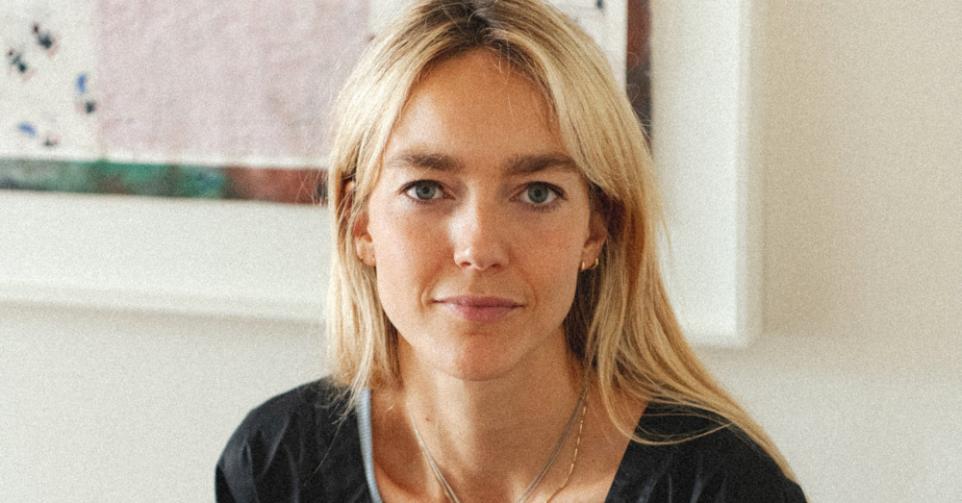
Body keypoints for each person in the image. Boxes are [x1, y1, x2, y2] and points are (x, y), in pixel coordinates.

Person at [216, 1, 807, 501]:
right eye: (426, 190)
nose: (478, 249)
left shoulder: (721, 486)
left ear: (596, 227)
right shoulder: (277, 463)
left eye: (537, 193)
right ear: (359, 221)